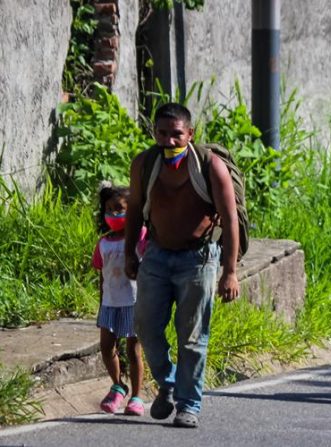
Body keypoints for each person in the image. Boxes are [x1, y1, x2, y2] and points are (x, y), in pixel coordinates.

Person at [125, 103, 240, 428]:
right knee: (145, 326)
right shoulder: (145, 164)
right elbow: (134, 209)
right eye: (162, 133)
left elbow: (230, 218)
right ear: (155, 134)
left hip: (198, 259)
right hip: (157, 256)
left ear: (190, 134)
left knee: (192, 337)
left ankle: (189, 406)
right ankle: (170, 382)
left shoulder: (210, 166)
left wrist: (229, 271)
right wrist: (130, 253)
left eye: (176, 134)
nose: (169, 140)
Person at [93, 184, 146, 415]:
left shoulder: (141, 237)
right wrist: (101, 304)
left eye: (120, 209)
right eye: (109, 210)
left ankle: (136, 396)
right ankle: (118, 385)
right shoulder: (103, 243)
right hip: (110, 304)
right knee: (106, 347)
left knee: (134, 351)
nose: (114, 215)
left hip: (134, 302)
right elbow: (101, 277)